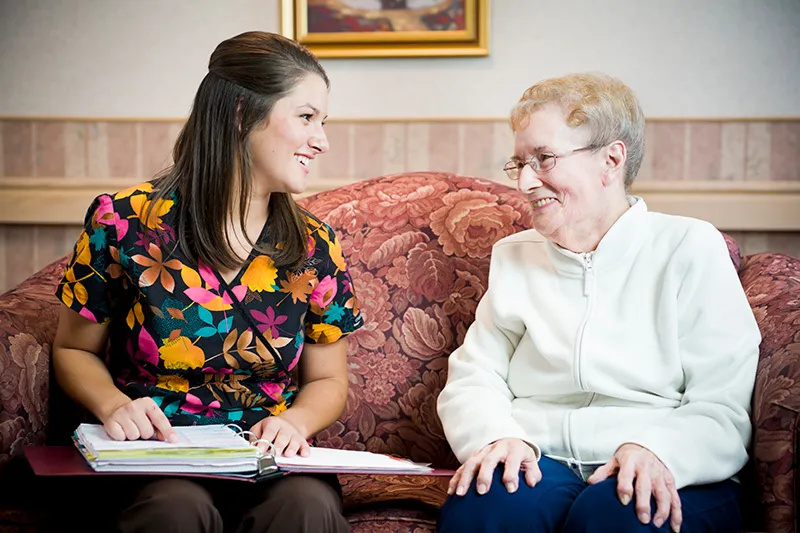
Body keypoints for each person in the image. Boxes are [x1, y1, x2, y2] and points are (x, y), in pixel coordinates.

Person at [51, 31, 362, 533]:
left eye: (323, 122)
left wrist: (295, 422)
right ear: (241, 114)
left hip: (267, 458)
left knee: (308, 507)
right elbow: (72, 349)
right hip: (157, 455)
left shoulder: (313, 246)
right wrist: (114, 405)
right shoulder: (126, 223)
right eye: (307, 117)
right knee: (175, 509)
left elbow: (327, 379)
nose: (322, 140)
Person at [435, 73, 761, 533]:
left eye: (544, 159)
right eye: (520, 163)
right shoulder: (516, 255)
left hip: (666, 460)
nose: (527, 181)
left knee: (619, 516)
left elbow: (723, 402)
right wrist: (500, 437)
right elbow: (474, 375)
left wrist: (660, 450)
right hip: (541, 457)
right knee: (487, 507)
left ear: (611, 159)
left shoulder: (689, 247)